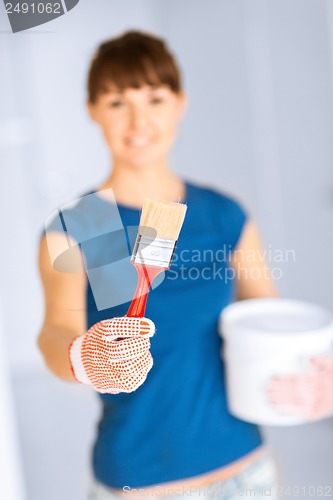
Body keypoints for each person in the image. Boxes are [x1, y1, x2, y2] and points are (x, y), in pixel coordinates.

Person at [37, 31, 333, 500]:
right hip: (141, 481)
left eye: (155, 98)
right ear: (92, 109)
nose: (139, 121)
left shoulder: (222, 214)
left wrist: (318, 371)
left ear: (180, 103)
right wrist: (82, 357)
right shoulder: (82, 223)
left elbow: (270, 323)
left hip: (246, 467)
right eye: (117, 102)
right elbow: (54, 333)